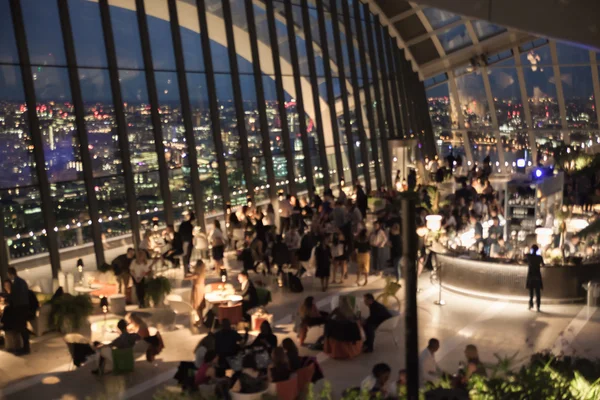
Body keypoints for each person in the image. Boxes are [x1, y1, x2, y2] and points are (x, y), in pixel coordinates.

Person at [6, 267, 30, 355]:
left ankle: (25, 348)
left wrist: (9, 294)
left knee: (22, 328)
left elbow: (14, 297)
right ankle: (25, 347)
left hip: (20, 308)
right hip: (24, 306)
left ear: (10, 274)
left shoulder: (16, 283)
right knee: (23, 327)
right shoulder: (21, 281)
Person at [527, 244, 544, 312]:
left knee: (531, 292)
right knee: (538, 292)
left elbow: (525, 259)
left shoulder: (528, 256)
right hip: (537, 276)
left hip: (531, 276)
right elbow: (543, 264)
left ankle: (530, 305)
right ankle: (538, 306)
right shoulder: (539, 257)